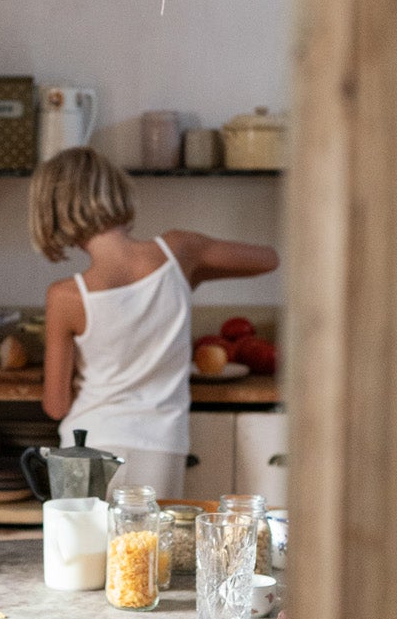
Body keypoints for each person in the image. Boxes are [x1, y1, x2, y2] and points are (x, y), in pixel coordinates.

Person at [30, 147, 279, 498]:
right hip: (161, 444)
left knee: (86, 552)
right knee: (152, 551)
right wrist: (191, 272)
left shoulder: (66, 296)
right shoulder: (179, 252)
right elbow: (268, 259)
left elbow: (56, 405)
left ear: (54, 214)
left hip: (89, 445)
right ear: (117, 193)